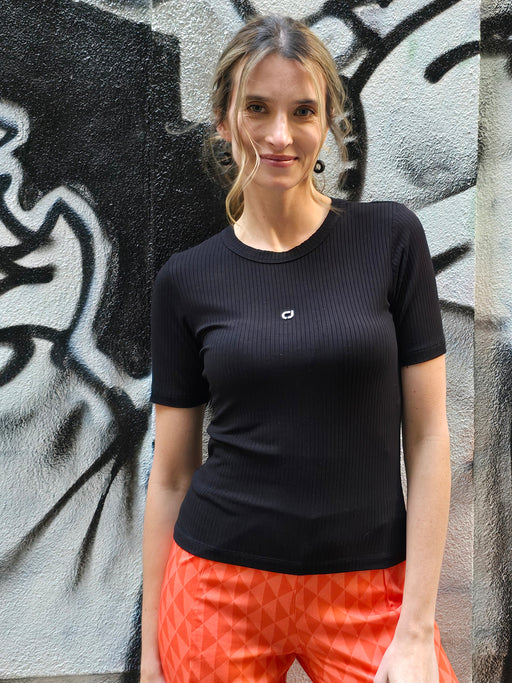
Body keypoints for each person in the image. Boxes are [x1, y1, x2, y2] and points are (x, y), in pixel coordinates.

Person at [141, 14, 458, 683]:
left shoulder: (391, 240)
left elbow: (430, 438)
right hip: (217, 591)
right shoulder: (187, 280)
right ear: (224, 121)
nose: (280, 135)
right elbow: (170, 475)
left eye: (303, 111)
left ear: (328, 123)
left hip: (368, 590)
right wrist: (148, 660)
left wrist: (416, 629)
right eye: (257, 108)